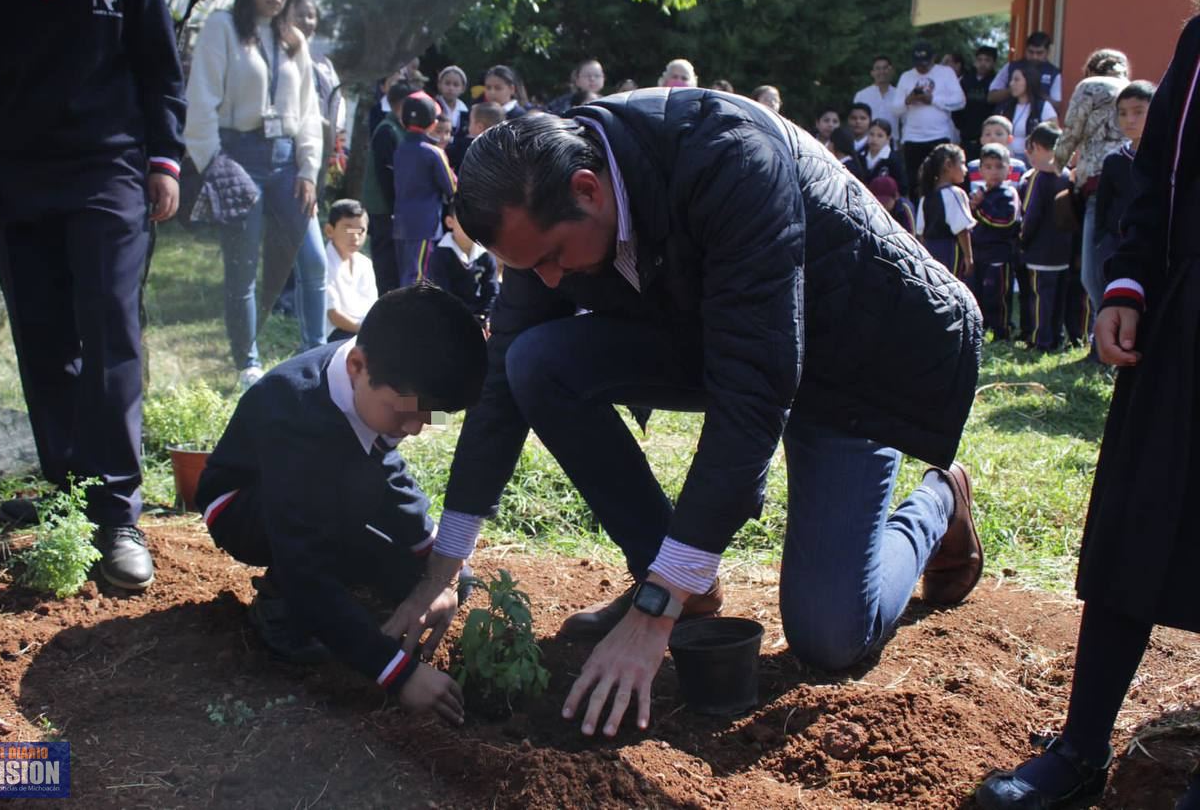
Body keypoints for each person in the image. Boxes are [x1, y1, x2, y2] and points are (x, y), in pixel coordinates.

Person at [392, 92, 984, 740]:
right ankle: (679, 581)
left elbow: (752, 393)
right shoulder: (546, 217)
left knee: (831, 635)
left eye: (554, 257)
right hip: (717, 330)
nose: (551, 281)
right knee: (533, 363)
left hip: (847, 354)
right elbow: (504, 383)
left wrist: (653, 612)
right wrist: (443, 568)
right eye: (531, 267)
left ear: (588, 189)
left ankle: (940, 500)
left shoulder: (729, 160)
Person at [976, 14, 1200, 810]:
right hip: (1182, 326)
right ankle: (1081, 747)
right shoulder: (1198, 40)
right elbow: (1156, 177)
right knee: (1135, 528)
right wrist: (1128, 282)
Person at [0, 0, 186, 588]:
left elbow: (159, 63)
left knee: (109, 328)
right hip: (16, 175)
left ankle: (116, 513)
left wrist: (163, 158)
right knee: (42, 337)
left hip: (108, 170)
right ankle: (69, 497)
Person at [197, 283, 487, 723]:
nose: (414, 429)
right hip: (242, 508)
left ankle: (348, 585)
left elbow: (387, 464)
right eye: (405, 413)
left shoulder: (383, 390)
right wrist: (397, 673)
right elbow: (304, 556)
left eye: (429, 417)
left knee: (437, 570)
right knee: (344, 500)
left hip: (330, 494)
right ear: (356, 365)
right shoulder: (293, 412)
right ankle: (281, 607)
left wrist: (436, 562)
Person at [184, 0, 327, 390]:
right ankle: (247, 362)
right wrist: (213, 163)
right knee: (243, 267)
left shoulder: (293, 39)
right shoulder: (221, 27)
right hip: (237, 155)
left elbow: (307, 112)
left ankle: (316, 354)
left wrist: (307, 168)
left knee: (314, 262)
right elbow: (201, 101)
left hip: (286, 161)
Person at [1054, 49, 1130, 320]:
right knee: (1124, 264)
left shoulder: (1089, 86)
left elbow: (1072, 132)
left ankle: (1102, 337)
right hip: (1134, 186)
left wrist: (1057, 166)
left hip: (1098, 186)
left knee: (1092, 271)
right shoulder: (1136, 91)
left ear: (1091, 69)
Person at [1090, 81, 1154, 304]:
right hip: (1116, 243)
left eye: (1138, 112)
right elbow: (1103, 204)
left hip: (1152, 242)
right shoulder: (1115, 160)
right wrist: (1102, 238)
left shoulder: (1165, 160)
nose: (1130, 120)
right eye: (1123, 113)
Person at [1017, 122, 1073, 351]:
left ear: (1038, 147)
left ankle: (1042, 341)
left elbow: (1030, 214)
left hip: (1040, 252)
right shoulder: (1067, 174)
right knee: (1058, 298)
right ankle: (1057, 337)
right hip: (1063, 249)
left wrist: (1022, 241)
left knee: (1040, 298)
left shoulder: (1039, 178)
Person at [392, 92, 456, 286]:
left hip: (401, 220)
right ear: (433, 122)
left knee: (405, 272)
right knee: (418, 275)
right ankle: (411, 314)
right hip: (425, 223)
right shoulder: (434, 152)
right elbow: (452, 187)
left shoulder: (400, 148)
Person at [360, 80, 414, 295]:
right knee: (385, 262)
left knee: (396, 261)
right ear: (399, 106)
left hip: (395, 208)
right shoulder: (387, 130)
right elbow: (386, 175)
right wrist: (395, 209)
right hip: (384, 209)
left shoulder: (403, 130)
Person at [289, 0, 344, 194]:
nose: (306, 21)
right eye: (300, 15)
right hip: (295, 140)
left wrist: (335, 128)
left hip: (324, 140)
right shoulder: (284, 54)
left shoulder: (324, 61)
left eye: (311, 16)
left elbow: (338, 97)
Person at [969, 144, 1021, 341]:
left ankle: (1002, 331)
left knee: (998, 296)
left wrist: (979, 207)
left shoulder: (1008, 194)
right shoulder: (981, 193)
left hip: (999, 255)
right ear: (980, 169)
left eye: (999, 166)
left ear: (1008, 169)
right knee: (979, 294)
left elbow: (1004, 221)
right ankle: (980, 330)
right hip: (980, 253)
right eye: (988, 167)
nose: (993, 172)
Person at [897, 41, 966, 186]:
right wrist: (908, 100)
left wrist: (933, 100)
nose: (921, 67)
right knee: (915, 183)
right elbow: (894, 108)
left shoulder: (946, 73)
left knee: (940, 180)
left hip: (939, 136)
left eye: (925, 63)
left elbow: (960, 101)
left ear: (934, 58)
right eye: (918, 63)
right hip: (912, 138)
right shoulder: (906, 76)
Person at [423, 206, 499, 328]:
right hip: (450, 320)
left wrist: (486, 316)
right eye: (464, 222)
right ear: (449, 222)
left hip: (480, 319)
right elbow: (442, 295)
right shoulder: (440, 255)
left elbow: (492, 292)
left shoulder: (485, 256)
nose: (470, 227)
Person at [915, 143, 975, 279]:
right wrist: (968, 257)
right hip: (950, 250)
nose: (965, 169)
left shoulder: (925, 196)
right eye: (962, 163)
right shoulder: (954, 193)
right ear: (948, 165)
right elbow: (961, 229)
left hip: (931, 251)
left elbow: (920, 232)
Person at [322, 199, 376, 341]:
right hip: (336, 334)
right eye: (348, 229)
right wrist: (366, 331)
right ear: (329, 230)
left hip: (363, 329)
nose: (355, 237)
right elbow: (333, 315)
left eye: (360, 231)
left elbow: (372, 308)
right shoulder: (323, 263)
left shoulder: (365, 264)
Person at [997, 65, 1058, 161]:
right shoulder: (1006, 107)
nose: (1012, 83)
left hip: (1033, 160)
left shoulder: (1043, 107)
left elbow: (1054, 135)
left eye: (1016, 80)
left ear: (1029, 81)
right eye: (1011, 80)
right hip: (1007, 158)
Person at [988, 31, 1063, 106]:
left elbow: (1057, 106)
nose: (1034, 57)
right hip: (1009, 115)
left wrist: (1036, 91)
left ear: (1047, 52)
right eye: (1031, 52)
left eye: (1039, 53)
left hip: (1038, 116)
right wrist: (1013, 89)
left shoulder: (1054, 73)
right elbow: (991, 97)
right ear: (1025, 50)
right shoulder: (1011, 67)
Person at [957, 45, 999, 160]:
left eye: (987, 60)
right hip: (966, 136)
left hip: (987, 137)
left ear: (993, 63)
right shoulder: (965, 80)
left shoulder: (997, 82)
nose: (983, 64)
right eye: (980, 60)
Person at [966, 116, 1027, 193]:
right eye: (988, 134)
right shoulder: (972, 167)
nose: (993, 137)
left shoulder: (1018, 167)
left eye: (999, 134)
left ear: (1009, 139)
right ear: (981, 140)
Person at [854, 55, 905, 140]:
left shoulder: (899, 94)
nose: (882, 72)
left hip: (892, 144)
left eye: (885, 68)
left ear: (891, 71)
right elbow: (856, 122)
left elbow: (905, 121)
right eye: (878, 68)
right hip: (867, 144)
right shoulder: (861, 95)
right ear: (872, 72)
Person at [448, 101, 504, 174]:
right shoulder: (504, 147)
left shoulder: (466, 145)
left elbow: (448, 159)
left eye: (470, 122)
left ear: (479, 127)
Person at [862, 119, 907, 194]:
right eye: (871, 134)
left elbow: (902, 186)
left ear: (888, 139)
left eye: (880, 136)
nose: (874, 139)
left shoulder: (893, 159)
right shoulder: (861, 155)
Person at [434, 65, 470, 136]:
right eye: (447, 83)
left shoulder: (465, 110)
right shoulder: (433, 106)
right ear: (439, 85)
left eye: (456, 85)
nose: (451, 88)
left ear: (463, 88)